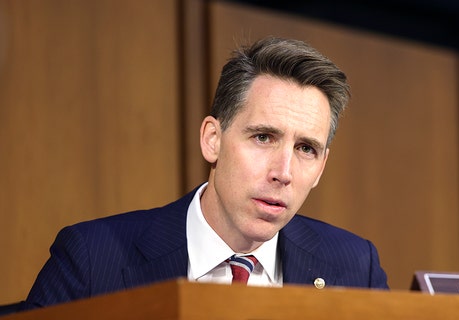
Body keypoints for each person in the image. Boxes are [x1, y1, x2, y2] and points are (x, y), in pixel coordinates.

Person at [23, 37, 388, 309]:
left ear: (321, 166)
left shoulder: (356, 267)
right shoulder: (91, 260)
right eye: (263, 137)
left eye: (306, 149)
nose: (284, 172)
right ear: (212, 139)